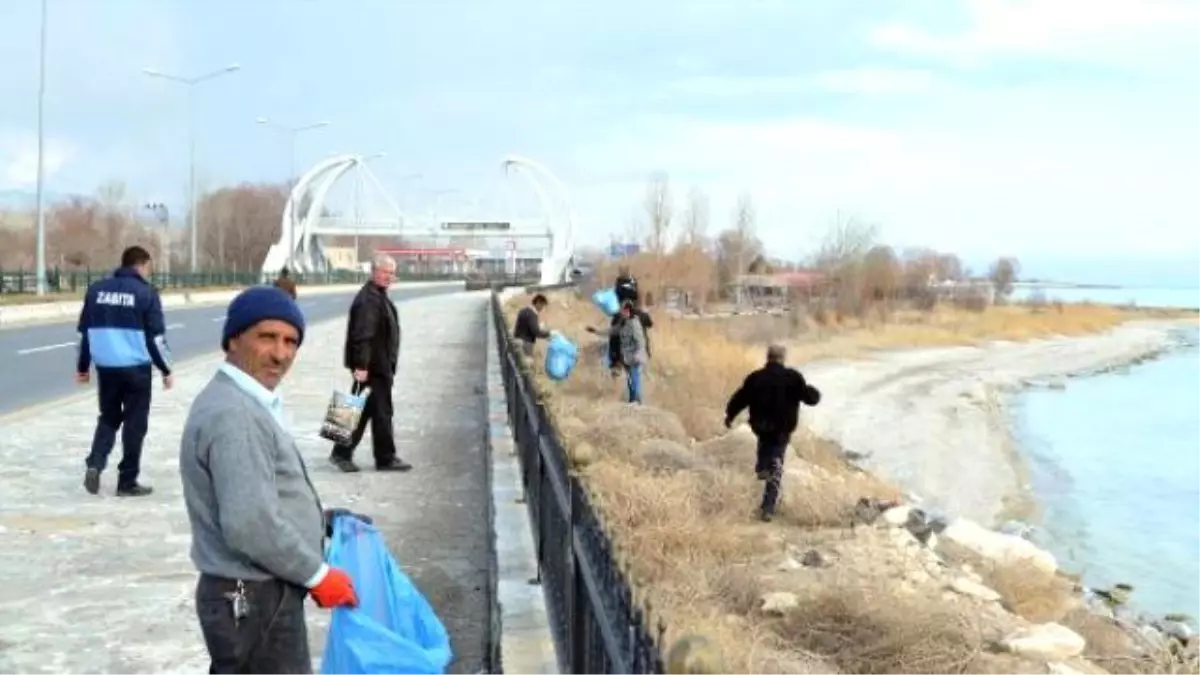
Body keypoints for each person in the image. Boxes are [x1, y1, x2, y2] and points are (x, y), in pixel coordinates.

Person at [180, 285, 363, 673]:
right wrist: (317, 575)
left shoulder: (244, 400)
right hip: (253, 597)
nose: (280, 354)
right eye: (266, 337)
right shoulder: (237, 415)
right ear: (233, 339)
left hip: (255, 595)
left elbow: (258, 495)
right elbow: (250, 522)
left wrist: (320, 520)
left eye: (290, 341)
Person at [76, 245, 173, 497]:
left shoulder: (96, 290)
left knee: (108, 416)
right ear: (141, 265)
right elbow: (156, 338)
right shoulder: (146, 293)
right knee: (134, 423)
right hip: (136, 368)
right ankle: (127, 481)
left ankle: (95, 464)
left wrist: (83, 366)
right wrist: (165, 369)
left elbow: (87, 332)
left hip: (106, 367)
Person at [329, 253, 413, 473]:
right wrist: (361, 366)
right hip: (373, 367)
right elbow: (362, 336)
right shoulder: (369, 299)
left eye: (392, 273)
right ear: (374, 272)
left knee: (363, 409)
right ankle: (383, 458)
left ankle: (343, 453)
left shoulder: (377, 295)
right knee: (377, 411)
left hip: (378, 365)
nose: (389, 276)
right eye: (385, 272)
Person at [723, 344, 822, 522]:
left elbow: (740, 398)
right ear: (783, 358)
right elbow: (810, 398)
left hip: (761, 426)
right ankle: (768, 507)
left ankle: (762, 467)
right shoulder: (793, 377)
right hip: (783, 429)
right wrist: (815, 393)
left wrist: (729, 416)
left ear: (767, 357)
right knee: (776, 463)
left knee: (765, 448)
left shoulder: (755, 378)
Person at [587, 300, 649, 404]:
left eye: (623, 310)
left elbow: (641, 341)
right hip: (627, 357)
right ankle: (632, 400)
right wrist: (596, 331)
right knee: (630, 380)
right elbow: (612, 331)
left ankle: (636, 401)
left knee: (634, 379)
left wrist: (638, 355)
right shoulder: (623, 322)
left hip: (634, 357)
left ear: (628, 310)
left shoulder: (634, 324)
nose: (621, 312)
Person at [513, 293, 551, 357]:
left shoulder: (524, 310)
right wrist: (548, 334)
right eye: (542, 305)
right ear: (538, 303)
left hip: (518, 339)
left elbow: (527, 326)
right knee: (527, 362)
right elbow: (535, 331)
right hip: (526, 342)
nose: (542, 308)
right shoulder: (532, 314)